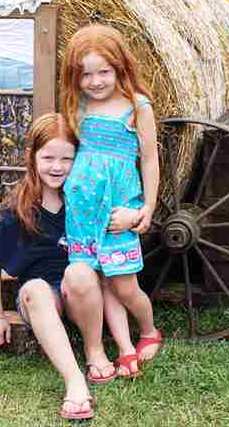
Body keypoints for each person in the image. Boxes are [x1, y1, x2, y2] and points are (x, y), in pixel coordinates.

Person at [0, 113, 138, 421]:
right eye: (48, 157)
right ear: (32, 157)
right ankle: (74, 381)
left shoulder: (84, 201)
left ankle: (94, 351)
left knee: (79, 271)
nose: (57, 167)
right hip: (42, 300)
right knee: (36, 289)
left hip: (82, 293)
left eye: (67, 158)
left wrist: (135, 215)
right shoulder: (16, 208)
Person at [60, 23, 163, 378]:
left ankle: (149, 330)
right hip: (82, 214)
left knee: (123, 283)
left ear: (120, 68)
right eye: (86, 74)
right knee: (100, 280)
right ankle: (124, 347)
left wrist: (145, 208)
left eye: (103, 72)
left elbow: (149, 160)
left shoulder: (137, 107)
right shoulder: (79, 104)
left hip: (118, 211)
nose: (96, 81)